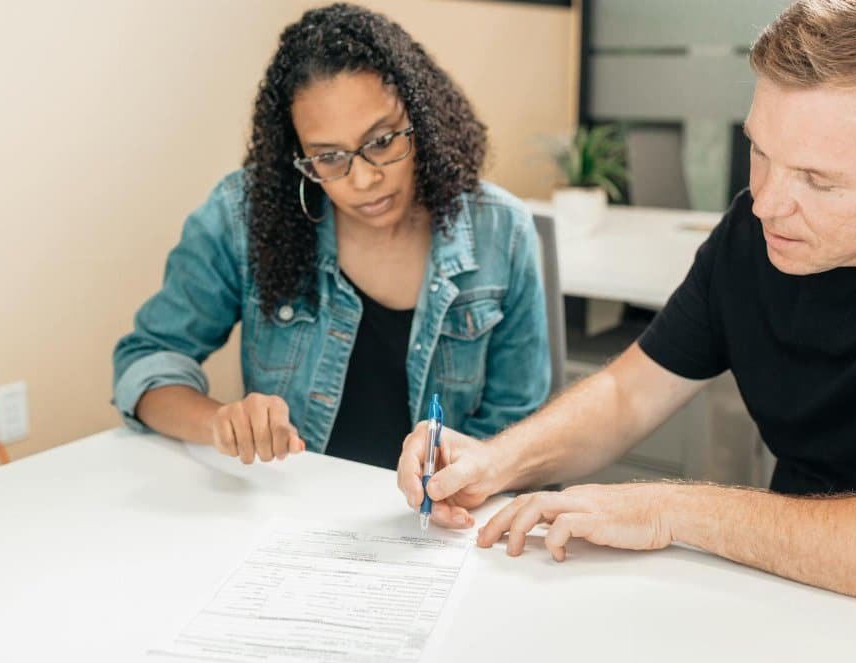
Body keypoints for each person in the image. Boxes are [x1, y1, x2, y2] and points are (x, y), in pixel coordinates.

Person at [397, 0, 856, 618]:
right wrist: (492, 460)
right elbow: (631, 392)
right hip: (801, 588)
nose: (767, 201)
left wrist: (674, 510)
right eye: (760, 152)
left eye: (818, 180)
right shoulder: (756, 229)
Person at [112, 3, 549, 492]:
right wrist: (220, 422)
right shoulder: (243, 215)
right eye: (330, 157)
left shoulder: (500, 231)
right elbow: (147, 360)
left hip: (438, 526)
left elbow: (520, 430)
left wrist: (464, 480)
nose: (364, 179)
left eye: (382, 141)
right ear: (298, 156)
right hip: (291, 517)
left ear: (421, 119)